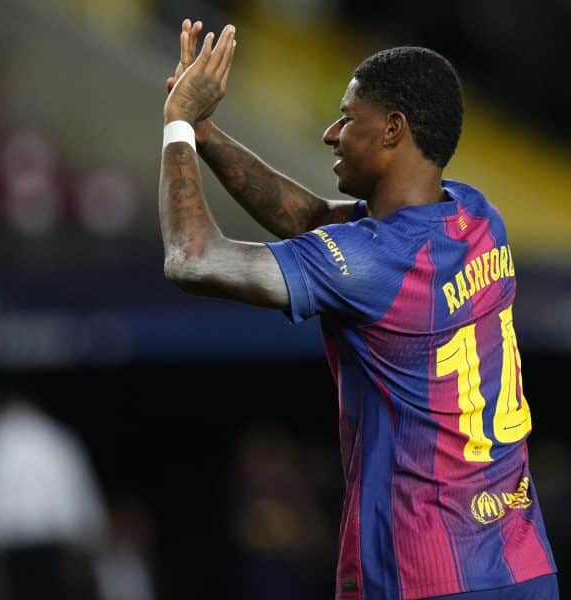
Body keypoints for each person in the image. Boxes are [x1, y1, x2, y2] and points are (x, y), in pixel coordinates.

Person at [159, 20, 558, 599]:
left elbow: (191, 258)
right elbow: (311, 219)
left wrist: (175, 126)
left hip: (421, 575)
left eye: (347, 117)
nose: (330, 132)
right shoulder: (477, 218)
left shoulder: (375, 263)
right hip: (522, 564)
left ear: (393, 129)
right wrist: (205, 130)